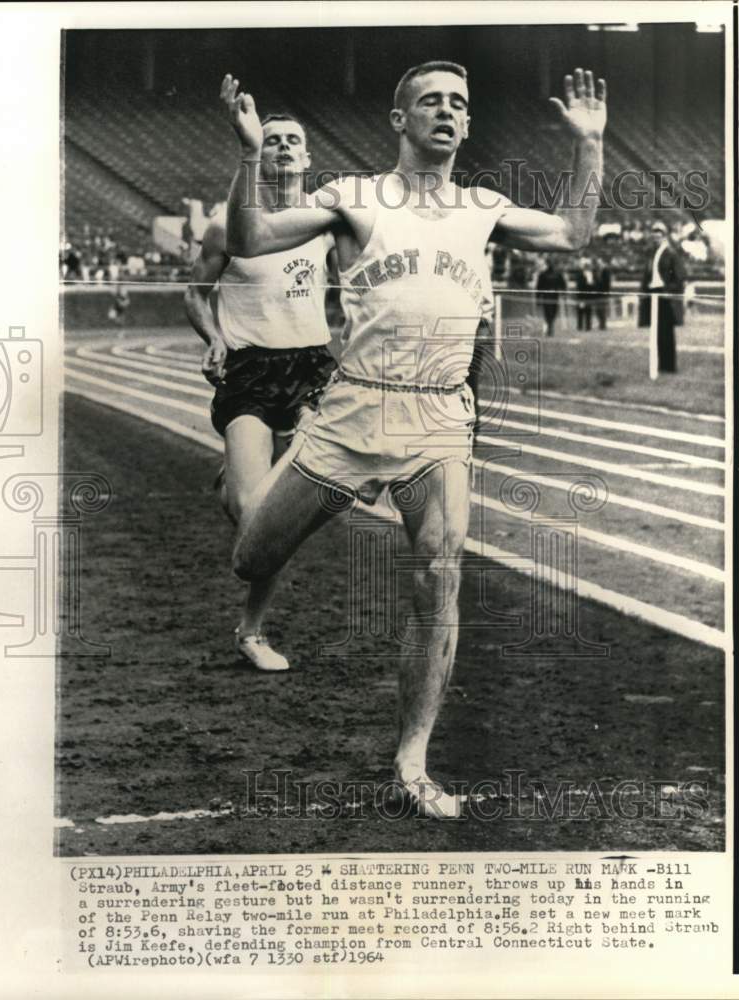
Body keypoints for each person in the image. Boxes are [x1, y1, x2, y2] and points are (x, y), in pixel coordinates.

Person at [221, 63, 606, 816]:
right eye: (430, 100)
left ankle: (412, 759)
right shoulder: (354, 197)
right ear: (400, 120)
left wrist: (589, 145)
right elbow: (252, 234)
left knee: (439, 576)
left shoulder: (482, 206)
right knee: (251, 557)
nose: (447, 111)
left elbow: (575, 231)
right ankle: (262, 520)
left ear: (467, 126)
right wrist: (244, 155)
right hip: (353, 413)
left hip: (437, 417)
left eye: (459, 103)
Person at [184, 113, 337, 672]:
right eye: (271, 141)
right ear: (258, 152)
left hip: (311, 373)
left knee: (286, 513)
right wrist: (214, 338)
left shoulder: (325, 222)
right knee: (253, 514)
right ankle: (239, 476)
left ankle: (252, 633)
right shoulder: (228, 226)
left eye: (294, 140)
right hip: (249, 372)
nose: (283, 148)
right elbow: (196, 294)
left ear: (307, 157)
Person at [639, 220, 685, 373]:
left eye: (658, 237)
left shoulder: (671, 254)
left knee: (666, 332)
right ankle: (660, 364)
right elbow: (647, 275)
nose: (656, 240)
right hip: (653, 294)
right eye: (654, 237)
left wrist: (669, 291)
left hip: (665, 296)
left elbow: (679, 277)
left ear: (664, 237)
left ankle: (670, 366)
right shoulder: (651, 254)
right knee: (657, 332)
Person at [535, 256, 566, 337]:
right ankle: (550, 327)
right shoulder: (543, 274)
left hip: (554, 296)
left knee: (553, 312)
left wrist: (563, 293)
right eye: (549, 263)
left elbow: (562, 284)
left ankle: (550, 326)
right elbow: (539, 287)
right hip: (546, 296)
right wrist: (538, 298)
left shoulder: (558, 274)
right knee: (548, 312)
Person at [574, 256, 594, 330]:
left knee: (588, 311)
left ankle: (588, 326)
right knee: (580, 311)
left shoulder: (590, 274)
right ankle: (580, 326)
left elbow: (591, 285)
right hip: (581, 296)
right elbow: (579, 285)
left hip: (587, 296)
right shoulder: (580, 274)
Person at [592, 256, 611, 330]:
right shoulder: (595, 271)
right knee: (598, 310)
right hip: (597, 294)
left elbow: (607, 283)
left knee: (602, 309)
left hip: (603, 294)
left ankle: (603, 324)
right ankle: (600, 323)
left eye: (600, 263)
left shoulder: (606, 271)